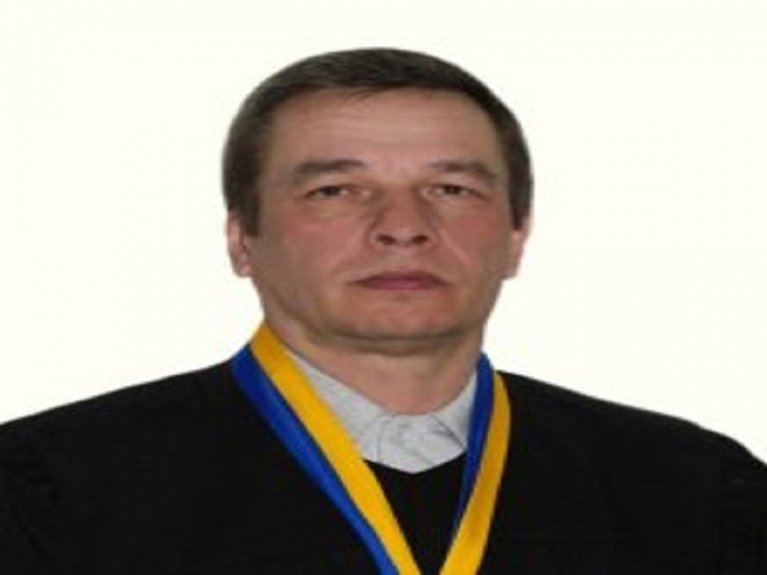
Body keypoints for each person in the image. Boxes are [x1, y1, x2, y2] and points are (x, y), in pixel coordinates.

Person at [0, 48, 764, 574]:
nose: (402, 226)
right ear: (241, 239)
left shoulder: (692, 494)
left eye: (451, 189)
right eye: (336, 190)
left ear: (515, 236)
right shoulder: (49, 491)